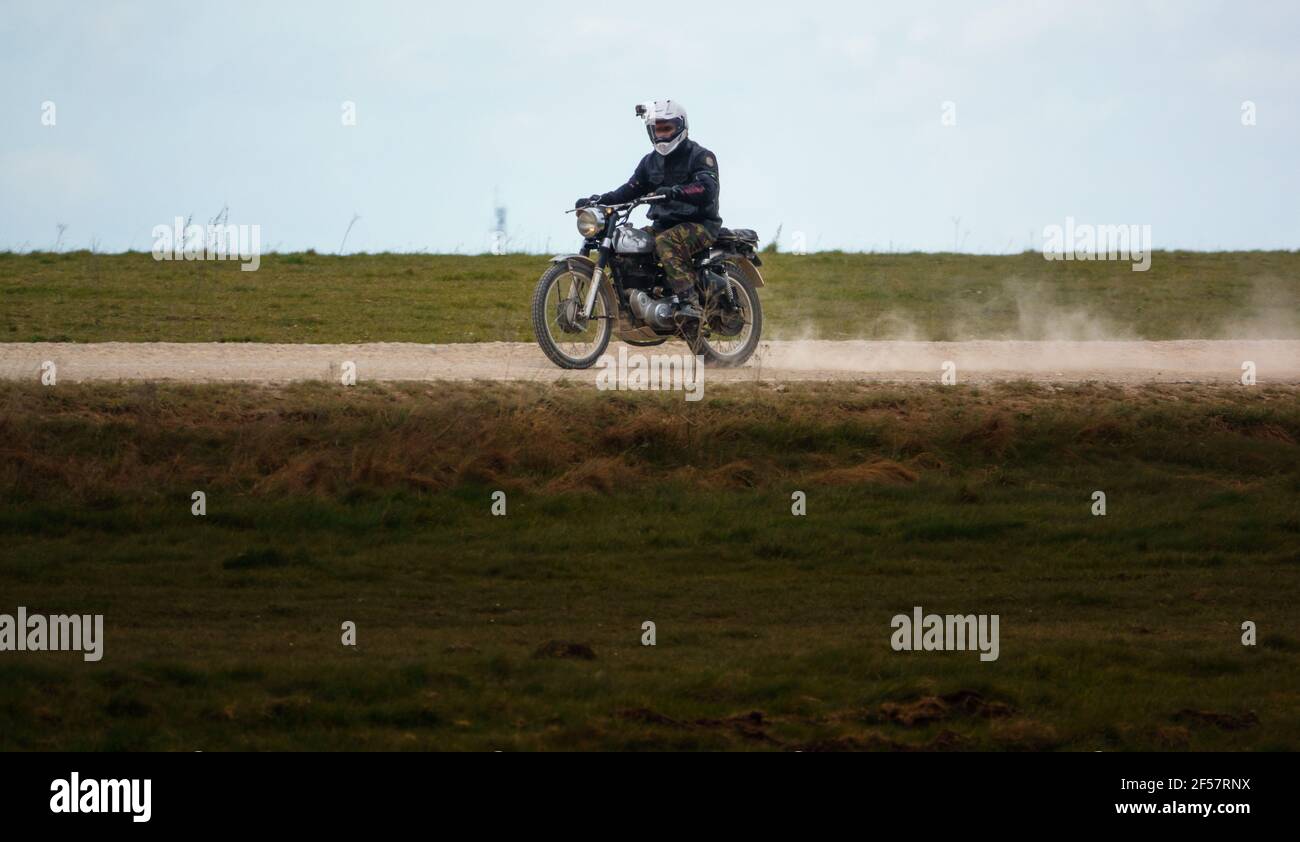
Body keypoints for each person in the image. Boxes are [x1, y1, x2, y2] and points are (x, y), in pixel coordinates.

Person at [576, 100, 721, 320]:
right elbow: (629, 190)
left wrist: (675, 192)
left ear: (681, 127)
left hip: (700, 225)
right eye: (657, 129)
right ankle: (633, 301)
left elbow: (707, 188)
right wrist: (600, 200)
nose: (662, 134)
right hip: (662, 225)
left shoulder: (701, 156)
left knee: (666, 242)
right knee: (625, 242)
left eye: (667, 128)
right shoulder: (649, 162)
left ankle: (690, 304)